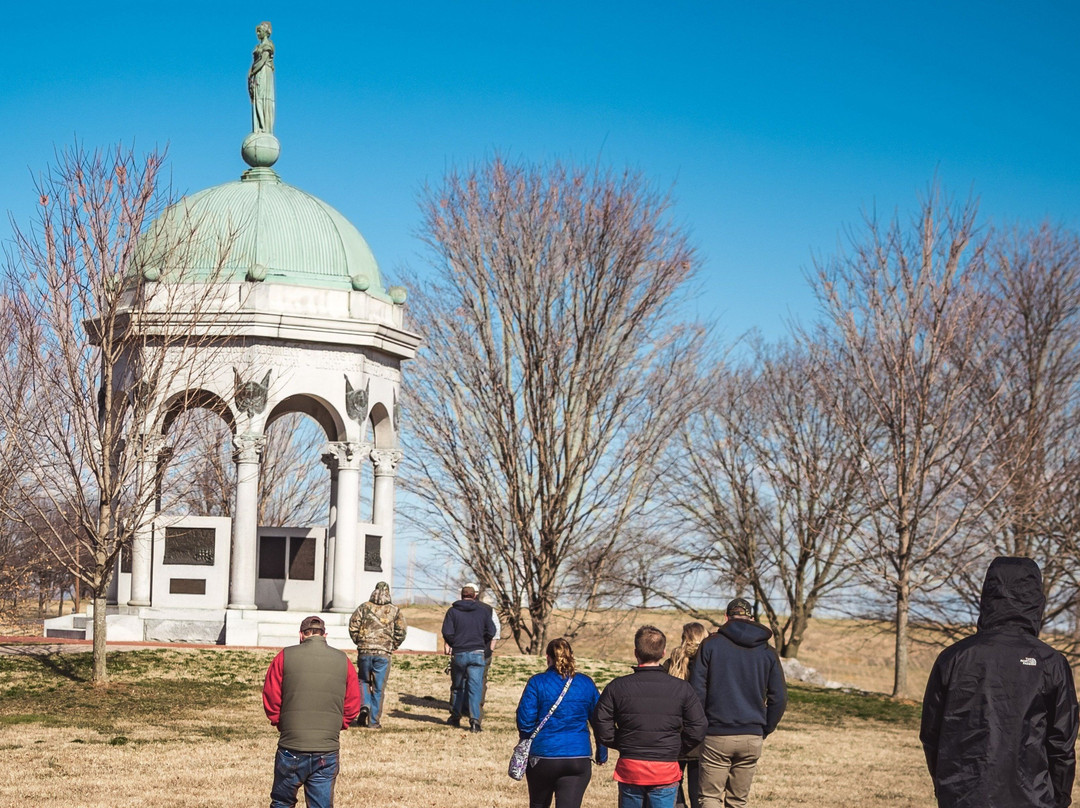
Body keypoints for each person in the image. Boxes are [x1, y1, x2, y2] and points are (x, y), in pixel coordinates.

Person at [921, 556, 1079, 808]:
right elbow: (1062, 745)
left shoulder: (953, 657)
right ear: (1036, 601)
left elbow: (931, 736)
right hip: (1032, 799)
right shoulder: (1050, 662)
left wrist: (946, 787)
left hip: (963, 797)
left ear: (988, 598)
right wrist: (1059, 799)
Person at [591, 625, 706, 808]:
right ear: (663, 653)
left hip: (632, 765)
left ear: (636, 653)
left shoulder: (617, 687)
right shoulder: (681, 688)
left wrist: (622, 743)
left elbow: (601, 723)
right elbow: (698, 726)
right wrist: (678, 747)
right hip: (665, 767)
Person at [690, 599, 786, 808]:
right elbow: (779, 698)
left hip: (716, 733)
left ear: (726, 617)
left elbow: (697, 691)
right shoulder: (767, 652)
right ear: (751, 619)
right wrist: (764, 728)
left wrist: (702, 724)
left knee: (709, 798)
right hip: (752, 735)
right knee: (737, 801)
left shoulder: (710, 645)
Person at [262, 615, 361, 808]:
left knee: (282, 802)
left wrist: (280, 722)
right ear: (325, 635)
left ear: (301, 635)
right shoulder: (343, 660)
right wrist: (339, 725)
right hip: (326, 749)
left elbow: (271, 696)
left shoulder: (284, 656)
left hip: (291, 745)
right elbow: (353, 702)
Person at [516, 638, 608, 808]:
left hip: (543, 756)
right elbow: (599, 721)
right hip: (577, 756)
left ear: (547, 657)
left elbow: (525, 722)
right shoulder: (586, 683)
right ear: (571, 656)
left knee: (538, 804)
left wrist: (529, 739)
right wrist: (601, 753)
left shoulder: (537, 682)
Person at [347, 581, 407, 729]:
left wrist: (359, 642)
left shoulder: (363, 607)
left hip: (365, 652)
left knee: (363, 681)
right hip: (383, 653)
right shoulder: (395, 611)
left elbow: (353, 626)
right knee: (379, 688)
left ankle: (364, 705)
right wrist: (393, 645)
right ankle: (373, 722)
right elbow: (401, 631)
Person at [663, 622, 710, 808]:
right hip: (702, 736)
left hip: (675, 735)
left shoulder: (671, 663)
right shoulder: (710, 662)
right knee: (699, 792)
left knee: (672, 787)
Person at [442, 584, 496, 731]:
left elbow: (446, 632)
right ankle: (475, 721)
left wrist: (455, 643)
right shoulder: (483, 612)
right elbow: (491, 631)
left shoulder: (452, 612)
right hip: (478, 653)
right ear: (474, 596)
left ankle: (455, 717)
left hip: (459, 653)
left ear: (461, 595)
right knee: (475, 687)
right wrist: (482, 641)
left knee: (457, 687)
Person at [248, 21, 275, 134]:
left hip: (264, 72)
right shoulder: (258, 46)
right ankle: (259, 126)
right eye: (257, 31)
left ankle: (265, 127)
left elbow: (263, 60)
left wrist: (252, 72)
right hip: (258, 73)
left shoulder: (267, 45)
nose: (258, 33)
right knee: (257, 99)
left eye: (260, 31)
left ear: (266, 31)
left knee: (263, 98)